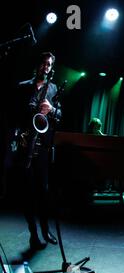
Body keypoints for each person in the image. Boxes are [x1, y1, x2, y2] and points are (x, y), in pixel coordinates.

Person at [12, 52, 61, 250]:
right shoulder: (23, 86)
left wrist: (52, 109)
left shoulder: (54, 89)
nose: (46, 66)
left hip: (42, 145)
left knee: (44, 190)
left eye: (49, 64)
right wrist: (15, 138)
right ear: (38, 64)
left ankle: (45, 229)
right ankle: (33, 234)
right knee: (27, 192)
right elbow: (13, 114)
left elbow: (60, 114)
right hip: (25, 143)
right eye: (44, 63)